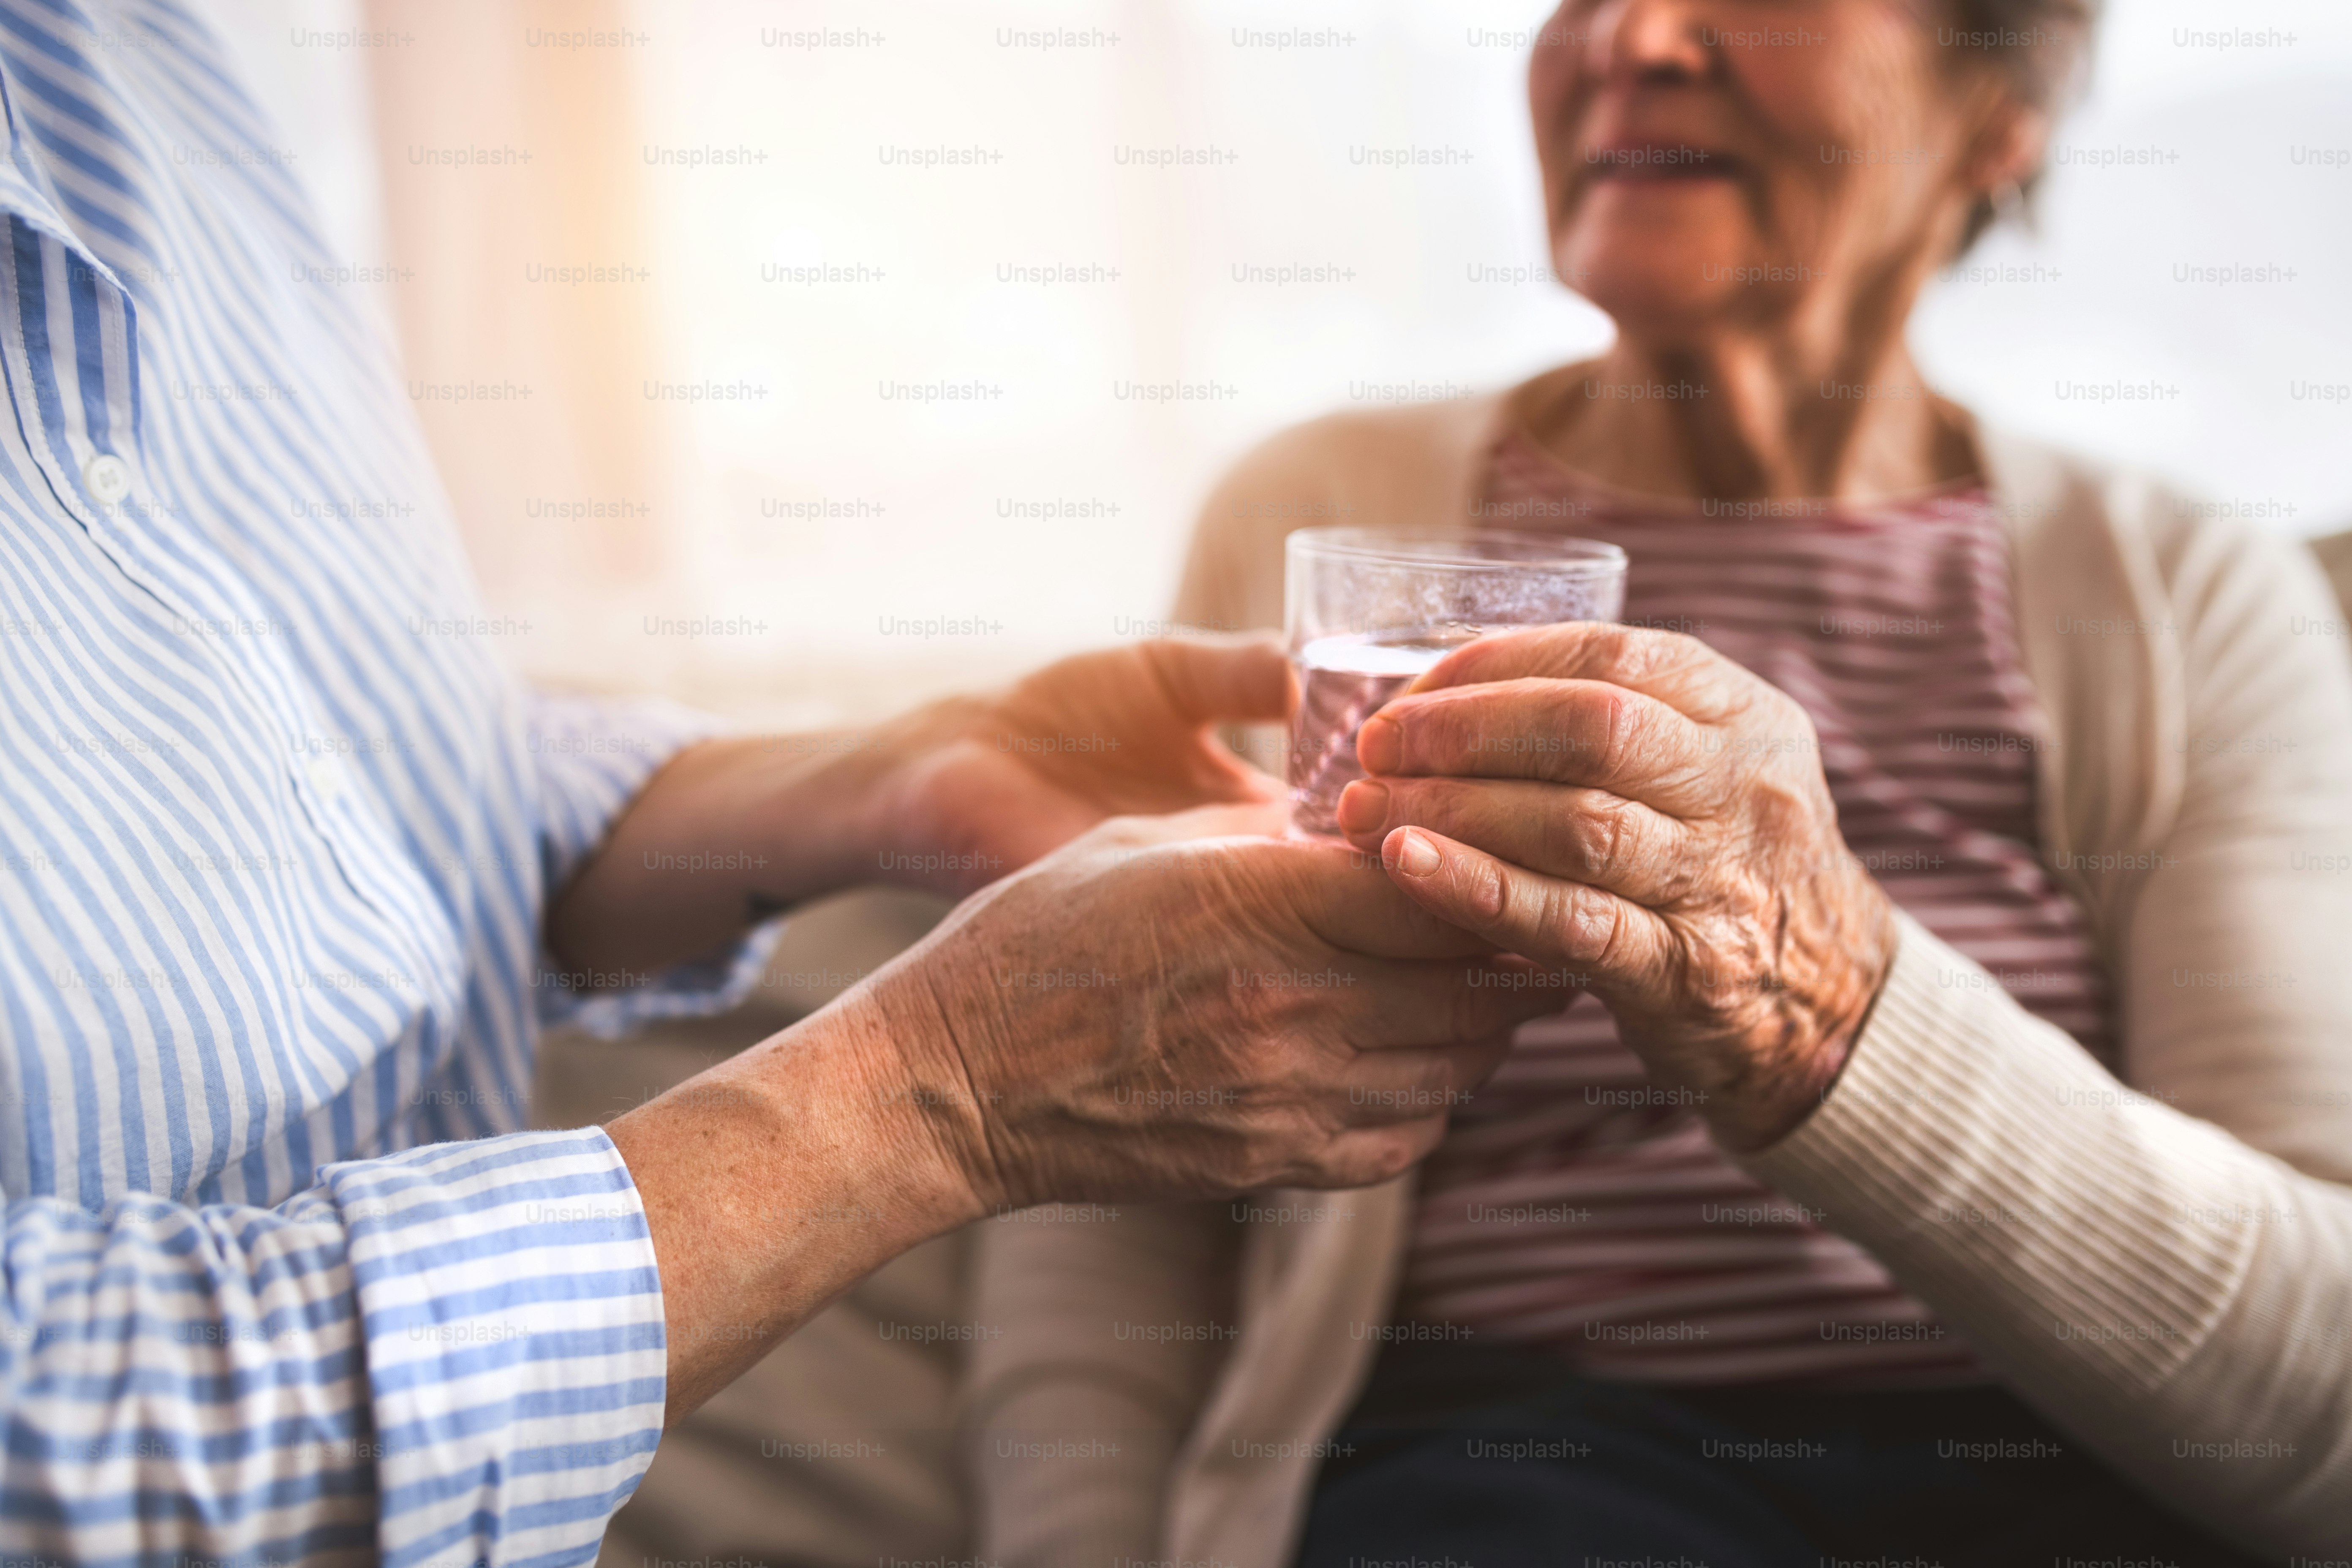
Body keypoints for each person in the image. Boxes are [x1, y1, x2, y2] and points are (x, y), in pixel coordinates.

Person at [0, 8, 1568, 1563]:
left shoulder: (134, 61)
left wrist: (890, 772)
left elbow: (339, 757)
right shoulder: (1316, 493)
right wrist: (932, 1097)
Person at [964, 0, 2352, 1562]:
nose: (1636, 36)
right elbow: (1115, 1149)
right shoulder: (1331, 524)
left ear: (2000, 113)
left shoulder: (2184, 587)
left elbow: (2320, 1378)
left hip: (2061, 1447)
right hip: (1525, 1460)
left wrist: (1824, 1012)